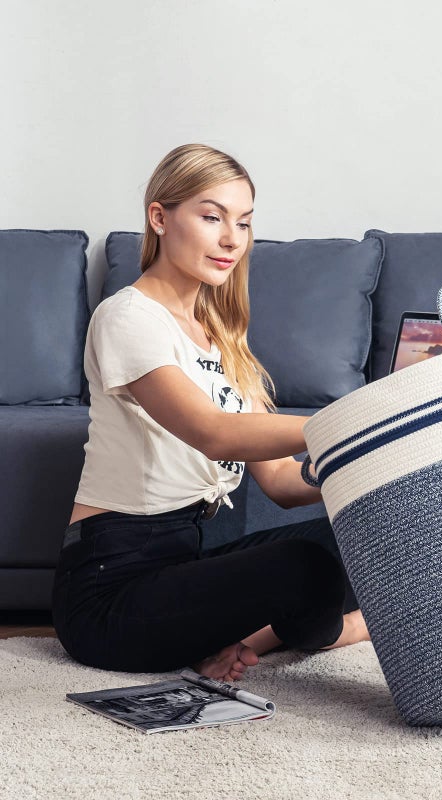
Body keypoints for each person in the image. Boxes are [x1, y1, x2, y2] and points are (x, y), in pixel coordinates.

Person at [51, 143, 370, 683]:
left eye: (243, 223)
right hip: (110, 590)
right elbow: (215, 433)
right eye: (211, 216)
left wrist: (371, 464)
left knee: (353, 531)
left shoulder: (223, 338)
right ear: (160, 217)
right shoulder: (128, 317)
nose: (231, 240)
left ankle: (231, 639)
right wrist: (351, 428)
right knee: (305, 571)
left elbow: (282, 483)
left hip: (185, 559)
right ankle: (344, 631)